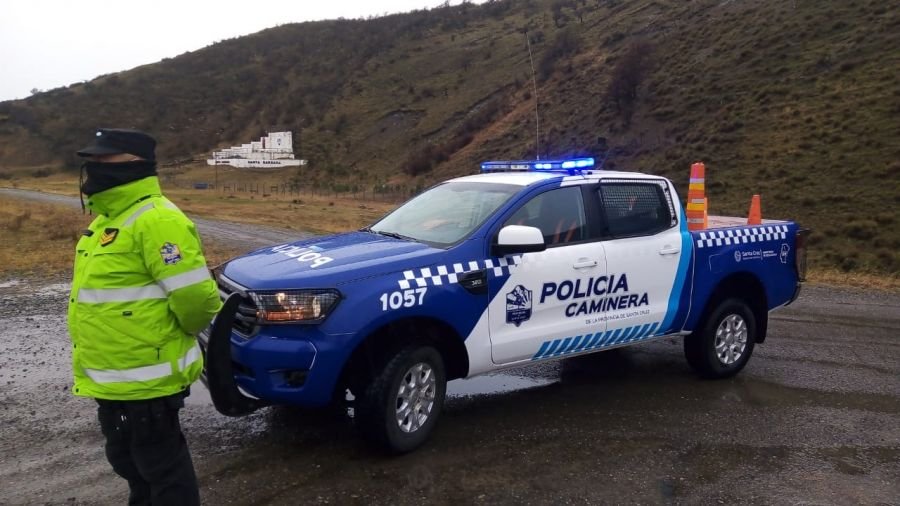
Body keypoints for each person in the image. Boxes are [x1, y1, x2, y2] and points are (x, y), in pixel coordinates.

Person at [67, 128, 221, 505]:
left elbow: (198, 301)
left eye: (103, 159)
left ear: (133, 163)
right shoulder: (106, 221)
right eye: (92, 160)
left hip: (148, 381)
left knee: (163, 473)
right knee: (130, 466)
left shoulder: (157, 220)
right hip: (111, 379)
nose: (93, 167)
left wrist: (171, 339)